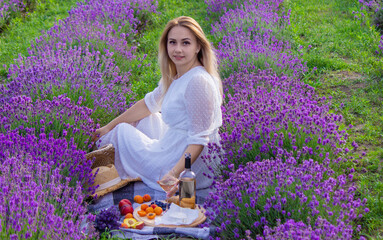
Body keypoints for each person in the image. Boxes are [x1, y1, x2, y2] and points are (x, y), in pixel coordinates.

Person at [92, 16, 223, 195]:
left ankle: (92, 169)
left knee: (122, 132)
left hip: (193, 166)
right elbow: (148, 104)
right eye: (172, 42)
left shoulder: (197, 81)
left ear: (198, 46)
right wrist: (107, 127)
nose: (177, 49)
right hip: (177, 143)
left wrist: (173, 174)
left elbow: (199, 140)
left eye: (185, 43)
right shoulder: (177, 75)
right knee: (147, 118)